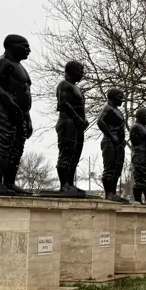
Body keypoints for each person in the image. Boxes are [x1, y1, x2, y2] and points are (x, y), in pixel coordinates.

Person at [0, 34, 33, 195]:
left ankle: (9, 182)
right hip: (5, 111)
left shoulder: (20, 67)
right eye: (25, 46)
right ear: (12, 46)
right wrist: (11, 106)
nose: (29, 50)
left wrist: (27, 117)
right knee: (3, 145)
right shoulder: (3, 62)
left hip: (21, 115)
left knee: (17, 149)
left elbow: (24, 93)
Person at [55, 60, 89, 196]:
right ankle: (64, 185)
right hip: (67, 123)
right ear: (70, 70)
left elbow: (80, 108)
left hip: (78, 126)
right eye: (79, 71)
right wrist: (77, 118)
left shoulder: (78, 89)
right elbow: (63, 104)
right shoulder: (64, 85)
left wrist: (84, 120)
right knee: (67, 153)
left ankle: (70, 183)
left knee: (75, 155)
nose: (82, 74)